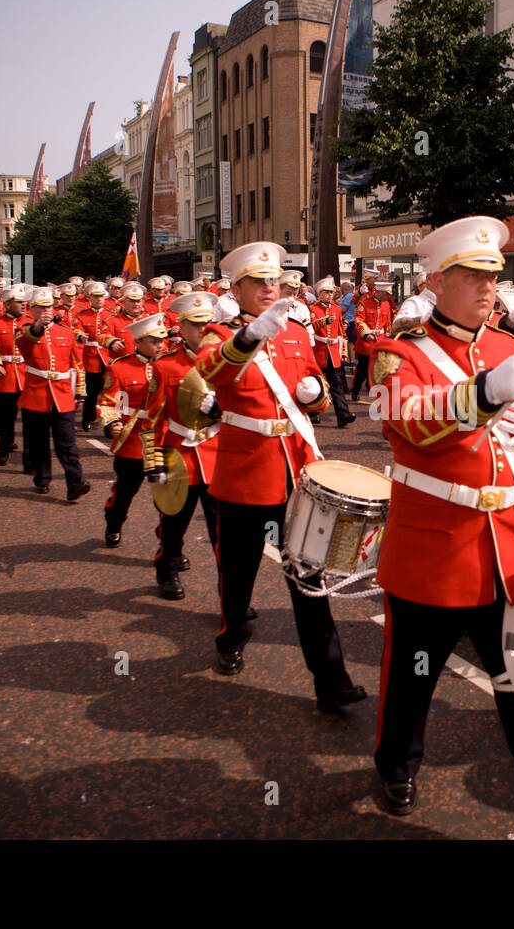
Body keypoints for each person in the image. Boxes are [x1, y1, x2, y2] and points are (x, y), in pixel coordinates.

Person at [369, 216, 514, 836]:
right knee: (412, 682)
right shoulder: (399, 353)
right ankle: (396, 762)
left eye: (494, 276)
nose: (489, 288)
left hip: (509, 553)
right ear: (437, 280)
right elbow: (409, 421)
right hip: (434, 556)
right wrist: (485, 393)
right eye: (473, 276)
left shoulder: (505, 347)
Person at [185, 241, 366, 711]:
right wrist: (247, 338)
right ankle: (232, 635)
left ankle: (331, 680)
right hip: (246, 472)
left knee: (308, 576)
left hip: (296, 468)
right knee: (239, 570)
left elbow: (319, 397)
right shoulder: (218, 335)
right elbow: (209, 371)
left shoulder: (295, 332)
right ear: (237, 288)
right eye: (259, 282)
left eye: (275, 280)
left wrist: (314, 397)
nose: (270, 288)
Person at [140, 294, 224, 599]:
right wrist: (153, 460)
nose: (203, 330)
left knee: (223, 533)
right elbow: (152, 419)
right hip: (180, 456)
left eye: (208, 323)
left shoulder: (225, 362)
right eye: (195, 324)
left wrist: (222, 411)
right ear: (182, 326)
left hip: (218, 457)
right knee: (173, 524)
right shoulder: (165, 366)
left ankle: (231, 596)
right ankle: (167, 568)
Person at [98, 312, 168, 554]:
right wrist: (111, 423)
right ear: (138, 341)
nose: (161, 345)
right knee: (125, 493)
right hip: (133, 441)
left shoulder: (170, 364)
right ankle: (114, 523)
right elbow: (108, 402)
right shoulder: (120, 367)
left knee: (167, 499)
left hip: (165, 440)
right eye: (154, 341)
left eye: (163, 340)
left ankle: (168, 545)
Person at [17, 287, 89, 500]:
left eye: (49, 307)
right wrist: (38, 325)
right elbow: (25, 343)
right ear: (32, 309)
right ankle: (42, 479)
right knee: (38, 444)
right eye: (41, 307)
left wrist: (80, 392)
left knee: (67, 442)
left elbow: (77, 363)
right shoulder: (24, 329)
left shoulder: (66, 332)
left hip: (62, 394)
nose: (46, 311)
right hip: (36, 394)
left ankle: (75, 482)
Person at [0, 285, 32, 471]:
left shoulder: (31, 321)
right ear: (7, 304)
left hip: (29, 375)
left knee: (30, 423)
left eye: (23, 301)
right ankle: (4, 446)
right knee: (6, 420)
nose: (23, 304)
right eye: (18, 301)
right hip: (6, 377)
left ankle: (30, 460)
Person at [309, 276, 356, 428]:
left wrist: (343, 353)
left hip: (333, 353)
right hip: (318, 352)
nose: (330, 295)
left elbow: (341, 333)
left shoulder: (336, 309)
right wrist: (324, 321)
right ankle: (312, 412)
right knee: (315, 384)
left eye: (332, 292)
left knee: (337, 385)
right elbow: (311, 327)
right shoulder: (313, 309)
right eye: (327, 292)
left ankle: (343, 415)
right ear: (320, 294)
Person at [74, 282, 112, 430]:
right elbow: (76, 330)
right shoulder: (82, 315)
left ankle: (109, 419)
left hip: (107, 357)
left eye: (101, 296)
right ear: (90, 298)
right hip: (91, 358)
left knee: (109, 391)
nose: (99, 299)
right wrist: (80, 336)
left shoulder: (110, 314)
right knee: (91, 392)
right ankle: (88, 418)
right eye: (96, 297)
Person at [350, 282, 393, 401]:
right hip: (367, 341)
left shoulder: (387, 305)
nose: (388, 297)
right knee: (363, 368)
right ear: (378, 292)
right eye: (386, 294)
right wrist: (366, 333)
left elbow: (387, 324)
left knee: (378, 368)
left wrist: (388, 339)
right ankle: (356, 389)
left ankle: (373, 388)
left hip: (380, 339)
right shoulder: (364, 303)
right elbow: (358, 320)